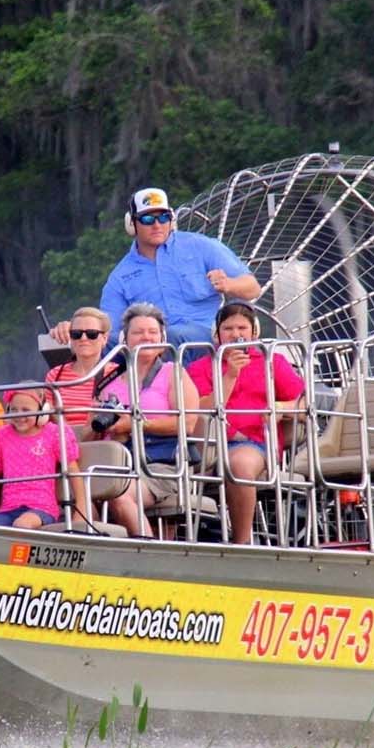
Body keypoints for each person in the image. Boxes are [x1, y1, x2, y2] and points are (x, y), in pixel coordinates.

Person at [50, 188, 260, 350]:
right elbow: (108, 328)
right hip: (152, 346)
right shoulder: (120, 277)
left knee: (173, 335)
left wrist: (228, 284)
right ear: (132, 224)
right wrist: (78, 330)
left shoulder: (202, 246)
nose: (157, 225)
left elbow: (252, 288)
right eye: (148, 219)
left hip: (207, 339)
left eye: (163, 217)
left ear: (172, 220)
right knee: (97, 344)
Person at [189, 300, 306, 545]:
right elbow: (198, 408)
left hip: (255, 444)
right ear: (217, 334)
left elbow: (305, 405)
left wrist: (280, 407)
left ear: (254, 332)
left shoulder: (270, 361)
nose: (236, 335)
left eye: (242, 328)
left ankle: (241, 542)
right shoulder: (200, 366)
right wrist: (230, 374)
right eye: (229, 329)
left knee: (239, 464)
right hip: (206, 444)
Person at [96, 303, 200, 537]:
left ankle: (149, 551)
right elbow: (96, 427)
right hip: (118, 462)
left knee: (119, 494)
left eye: (152, 332)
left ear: (162, 338)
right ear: (125, 339)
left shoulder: (174, 372)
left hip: (161, 464)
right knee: (80, 488)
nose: (146, 337)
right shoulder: (107, 380)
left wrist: (135, 425)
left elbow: (187, 424)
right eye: (138, 332)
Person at [0, 386, 87, 529]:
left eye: (26, 410)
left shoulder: (54, 433)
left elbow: (73, 472)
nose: (19, 415)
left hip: (41, 509)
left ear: (42, 411)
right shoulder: (1, 436)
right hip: (7, 510)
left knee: (21, 524)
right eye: (14, 410)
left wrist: (81, 511)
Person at [43, 306, 113, 436]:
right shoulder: (55, 375)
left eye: (92, 334)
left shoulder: (116, 373)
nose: (83, 338)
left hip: (102, 445)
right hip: (62, 444)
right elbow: (46, 415)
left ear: (105, 338)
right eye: (76, 334)